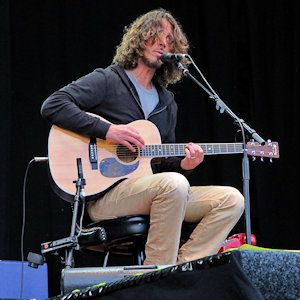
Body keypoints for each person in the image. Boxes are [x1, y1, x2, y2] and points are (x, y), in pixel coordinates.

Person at [41, 8, 244, 265]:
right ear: (139, 39)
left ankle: (183, 268)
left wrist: (185, 164)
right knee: (173, 184)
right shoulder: (108, 80)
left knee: (231, 200)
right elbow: (54, 105)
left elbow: (162, 161)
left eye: (170, 40)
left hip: (150, 190)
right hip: (105, 197)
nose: (163, 43)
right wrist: (108, 130)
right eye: (157, 35)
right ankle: (155, 273)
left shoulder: (167, 102)